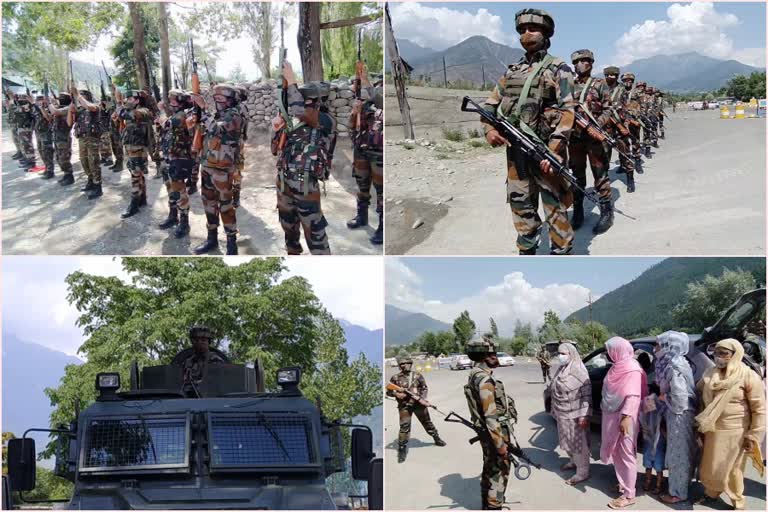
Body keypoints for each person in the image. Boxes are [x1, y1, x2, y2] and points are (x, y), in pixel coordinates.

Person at [480, 9, 576, 255]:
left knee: (555, 207)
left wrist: (555, 149)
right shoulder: (511, 71)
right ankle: (527, 250)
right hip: (516, 153)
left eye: (532, 29)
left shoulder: (559, 69)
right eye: (522, 30)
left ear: (546, 34)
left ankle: (562, 252)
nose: (526, 34)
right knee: (521, 204)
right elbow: (490, 105)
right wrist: (489, 129)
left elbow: (568, 111)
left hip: (546, 153)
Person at [272, 62, 334, 255]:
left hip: (306, 186)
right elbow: (275, 150)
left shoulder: (325, 120)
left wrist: (291, 82)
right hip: (284, 184)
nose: (303, 104)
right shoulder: (294, 122)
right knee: (288, 229)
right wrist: (276, 130)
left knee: (315, 235)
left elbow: (300, 111)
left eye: (307, 101)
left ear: (317, 102)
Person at [695, 339, 765, 510]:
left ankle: (738, 502)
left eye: (723, 353)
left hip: (737, 432)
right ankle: (711, 493)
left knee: (733, 468)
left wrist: (754, 435)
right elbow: (698, 391)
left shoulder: (748, 375)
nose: (718, 357)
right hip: (713, 430)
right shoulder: (711, 372)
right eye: (716, 353)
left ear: (736, 355)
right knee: (711, 465)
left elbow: (760, 409)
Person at [191, 83, 245, 255]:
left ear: (230, 100)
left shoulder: (235, 115)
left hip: (223, 169)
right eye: (216, 98)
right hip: (207, 165)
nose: (218, 100)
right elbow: (203, 127)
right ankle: (211, 238)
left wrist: (204, 108)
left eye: (221, 97)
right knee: (209, 204)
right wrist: (198, 111)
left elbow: (216, 129)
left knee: (226, 207)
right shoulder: (217, 114)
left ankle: (231, 243)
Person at [464, 336, 517, 509]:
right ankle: (494, 505)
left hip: (487, 433)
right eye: (493, 354)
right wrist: (500, 444)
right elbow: (490, 415)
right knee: (499, 471)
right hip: (495, 432)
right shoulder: (484, 380)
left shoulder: (475, 374)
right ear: (485, 357)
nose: (497, 357)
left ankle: (487, 504)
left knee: (489, 467)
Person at [569, 49, 614, 234]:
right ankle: (578, 212)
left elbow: (608, 109)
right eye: (580, 61)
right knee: (576, 176)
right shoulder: (567, 84)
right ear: (574, 64)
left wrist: (597, 126)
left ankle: (606, 213)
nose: (583, 64)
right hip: (574, 139)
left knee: (600, 175)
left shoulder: (599, 84)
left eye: (587, 61)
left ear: (592, 63)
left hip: (594, 139)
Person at [600, 336, 647, 509]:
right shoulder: (616, 367)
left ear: (618, 350)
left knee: (626, 454)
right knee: (616, 452)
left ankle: (629, 495)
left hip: (624, 419)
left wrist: (626, 418)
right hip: (611, 416)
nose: (607, 353)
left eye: (609, 349)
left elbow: (634, 396)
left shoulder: (632, 369)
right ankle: (624, 484)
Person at [348, 61, 384, 245]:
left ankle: (382, 228)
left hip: (379, 156)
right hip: (362, 150)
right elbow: (351, 129)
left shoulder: (383, 103)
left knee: (381, 192)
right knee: (362, 186)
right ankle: (362, 216)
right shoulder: (366, 104)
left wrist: (364, 77)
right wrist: (355, 113)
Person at [386, 356, 446, 464]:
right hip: (404, 406)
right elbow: (388, 391)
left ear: (410, 364)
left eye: (407, 363)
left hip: (418, 405)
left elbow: (424, 387)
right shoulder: (395, 378)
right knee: (404, 427)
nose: (405, 365)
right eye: (402, 364)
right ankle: (402, 449)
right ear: (399, 366)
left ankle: (436, 438)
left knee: (427, 423)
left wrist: (422, 398)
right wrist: (396, 394)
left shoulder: (417, 376)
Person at [550, 342, 591, 485]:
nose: (560, 356)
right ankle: (573, 462)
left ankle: (582, 472)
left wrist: (584, 415)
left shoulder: (579, 370)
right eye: (559, 353)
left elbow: (587, 395)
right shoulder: (562, 369)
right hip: (562, 413)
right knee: (567, 441)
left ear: (571, 354)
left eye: (563, 354)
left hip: (575, 414)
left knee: (578, 444)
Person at [157, 90, 195, 238]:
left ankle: (184, 223)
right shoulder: (175, 114)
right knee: (170, 190)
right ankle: (173, 216)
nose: (170, 103)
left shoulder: (182, 116)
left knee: (180, 192)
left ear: (181, 102)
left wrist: (161, 110)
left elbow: (164, 122)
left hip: (179, 159)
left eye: (173, 101)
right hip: (168, 158)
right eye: (170, 100)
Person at [116, 89, 154, 218]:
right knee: (138, 174)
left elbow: (125, 115)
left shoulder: (143, 111)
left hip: (138, 149)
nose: (127, 101)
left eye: (130, 99)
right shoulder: (131, 110)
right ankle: (142, 198)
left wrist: (119, 103)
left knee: (135, 176)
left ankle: (134, 204)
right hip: (131, 147)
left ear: (137, 100)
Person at [70, 87, 104, 199]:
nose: (80, 99)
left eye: (82, 96)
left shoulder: (95, 106)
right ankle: (90, 180)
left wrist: (77, 96)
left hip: (92, 138)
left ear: (87, 97)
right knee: (84, 161)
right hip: (82, 138)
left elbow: (89, 106)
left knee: (93, 161)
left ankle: (97, 186)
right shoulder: (80, 111)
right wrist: (71, 109)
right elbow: (69, 122)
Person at [181, 325, 227, 395]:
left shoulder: (215, 360)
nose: (199, 343)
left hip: (209, 401)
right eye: (196, 340)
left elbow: (218, 385)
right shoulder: (187, 362)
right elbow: (181, 384)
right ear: (192, 342)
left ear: (208, 342)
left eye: (203, 340)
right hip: (188, 401)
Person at [49, 92, 75, 186]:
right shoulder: (60, 107)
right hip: (57, 136)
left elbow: (55, 112)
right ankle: (65, 174)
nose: (60, 99)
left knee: (64, 158)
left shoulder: (67, 108)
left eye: (61, 98)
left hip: (64, 137)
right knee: (59, 158)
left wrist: (49, 103)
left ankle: (69, 176)